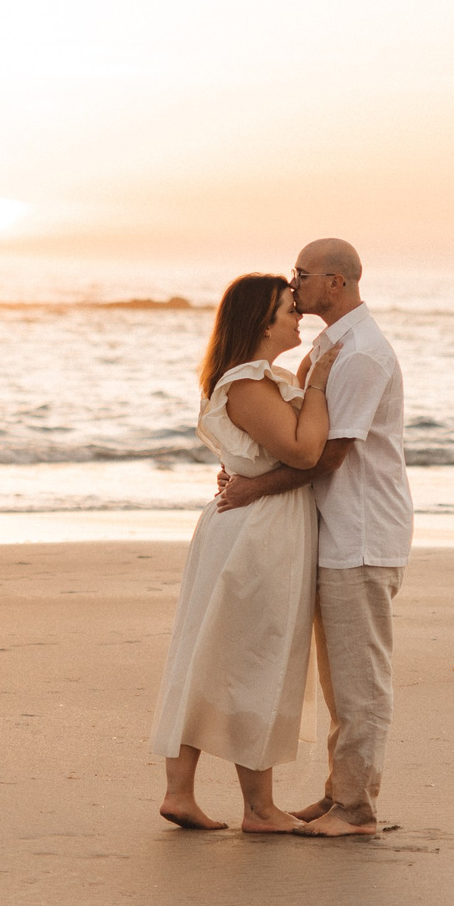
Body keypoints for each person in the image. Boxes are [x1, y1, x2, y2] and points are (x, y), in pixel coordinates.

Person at [215, 237, 410, 838]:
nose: (292, 283)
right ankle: (338, 796)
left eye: (301, 274)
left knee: (359, 679)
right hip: (336, 532)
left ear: (335, 282)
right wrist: (247, 468)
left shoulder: (360, 355)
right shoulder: (332, 346)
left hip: (361, 532)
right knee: (338, 678)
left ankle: (357, 810)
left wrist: (254, 488)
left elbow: (327, 456)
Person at [150, 273, 338, 832]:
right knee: (252, 658)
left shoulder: (262, 379)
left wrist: (304, 380)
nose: (298, 316)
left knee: (217, 655)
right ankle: (255, 807)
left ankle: (184, 793)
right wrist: (321, 385)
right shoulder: (250, 383)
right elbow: (304, 452)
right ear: (261, 322)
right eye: (288, 308)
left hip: (254, 526)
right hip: (257, 534)